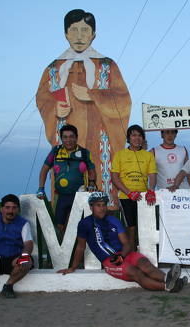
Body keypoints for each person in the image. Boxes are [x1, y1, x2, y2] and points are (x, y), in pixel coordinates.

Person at [36, 9, 131, 203]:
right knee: (65, 192)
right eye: (74, 30)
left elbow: (123, 99)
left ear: (93, 34)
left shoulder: (106, 65)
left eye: (85, 30)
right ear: (65, 33)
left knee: (100, 185)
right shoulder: (54, 68)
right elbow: (42, 98)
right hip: (65, 137)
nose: (79, 36)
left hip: (100, 137)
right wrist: (54, 108)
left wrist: (93, 95)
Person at [58, 192, 186, 292]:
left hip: (124, 254)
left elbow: (127, 243)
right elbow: (80, 247)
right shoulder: (84, 224)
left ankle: (167, 278)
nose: (102, 208)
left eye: (104, 205)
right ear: (91, 207)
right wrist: (73, 267)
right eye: (98, 205)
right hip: (109, 260)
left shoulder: (113, 220)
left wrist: (122, 256)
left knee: (145, 264)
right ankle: (168, 287)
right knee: (137, 274)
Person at [37, 124, 96, 237]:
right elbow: (44, 169)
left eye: (71, 136)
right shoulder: (55, 151)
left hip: (79, 195)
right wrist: (41, 188)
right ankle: (62, 251)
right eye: (65, 137)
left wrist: (92, 184)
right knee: (59, 226)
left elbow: (92, 170)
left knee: (80, 225)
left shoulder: (84, 153)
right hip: (61, 196)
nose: (68, 140)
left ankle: (79, 252)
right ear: (61, 138)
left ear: (76, 137)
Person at [111, 124, 157, 251]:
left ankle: (146, 254)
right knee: (130, 228)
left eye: (140, 135)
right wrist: (129, 192)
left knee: (145, 227)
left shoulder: (148, 156)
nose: (137, 138)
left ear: (143, 138)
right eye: (134, 135)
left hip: (143, 197)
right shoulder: (120, 155)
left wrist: (151, 190)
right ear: (129, 138)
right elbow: (115, 177)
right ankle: (131, 255)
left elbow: (152, 175)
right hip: (126, 196)